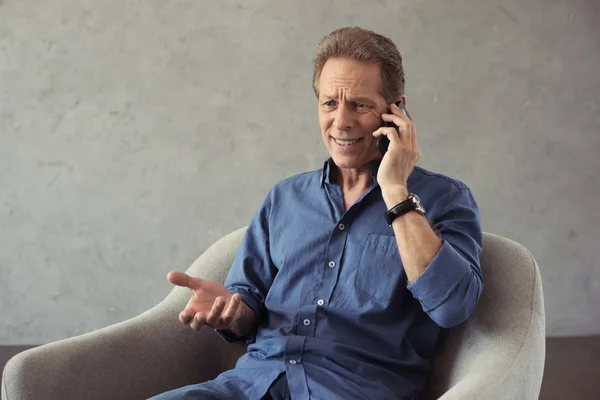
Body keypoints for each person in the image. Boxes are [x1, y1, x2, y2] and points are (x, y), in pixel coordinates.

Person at [150, 26, 483, 400]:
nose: (341, 122)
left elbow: (452, 307)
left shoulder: (444, 199)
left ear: (397, 111)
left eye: (359, 104)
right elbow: (250, 302)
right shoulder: (285, 198)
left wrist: (395, 192)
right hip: (250, 386)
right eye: (329, 104)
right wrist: (231, 311)